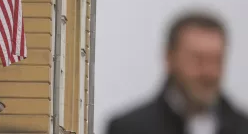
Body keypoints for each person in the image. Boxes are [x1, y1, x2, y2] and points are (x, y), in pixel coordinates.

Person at [106, 11, 248, 134]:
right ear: (169, 58)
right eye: (198, 59)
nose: (209, 72)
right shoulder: (129, 128)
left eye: (216, 60)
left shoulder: (243, 127)